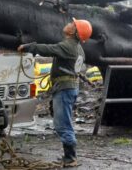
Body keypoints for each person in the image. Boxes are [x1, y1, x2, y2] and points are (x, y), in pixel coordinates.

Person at [17, 18, 92, 168]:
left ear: (75, 32)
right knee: (64, 122)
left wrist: (28, 47)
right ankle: (68, 156)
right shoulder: (78, 48)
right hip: (68, 87)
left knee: (62, 124)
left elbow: (49, 49)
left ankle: (71, 158)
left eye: (73, 24)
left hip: (65, 88)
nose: (69, 24)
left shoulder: (68, 46)